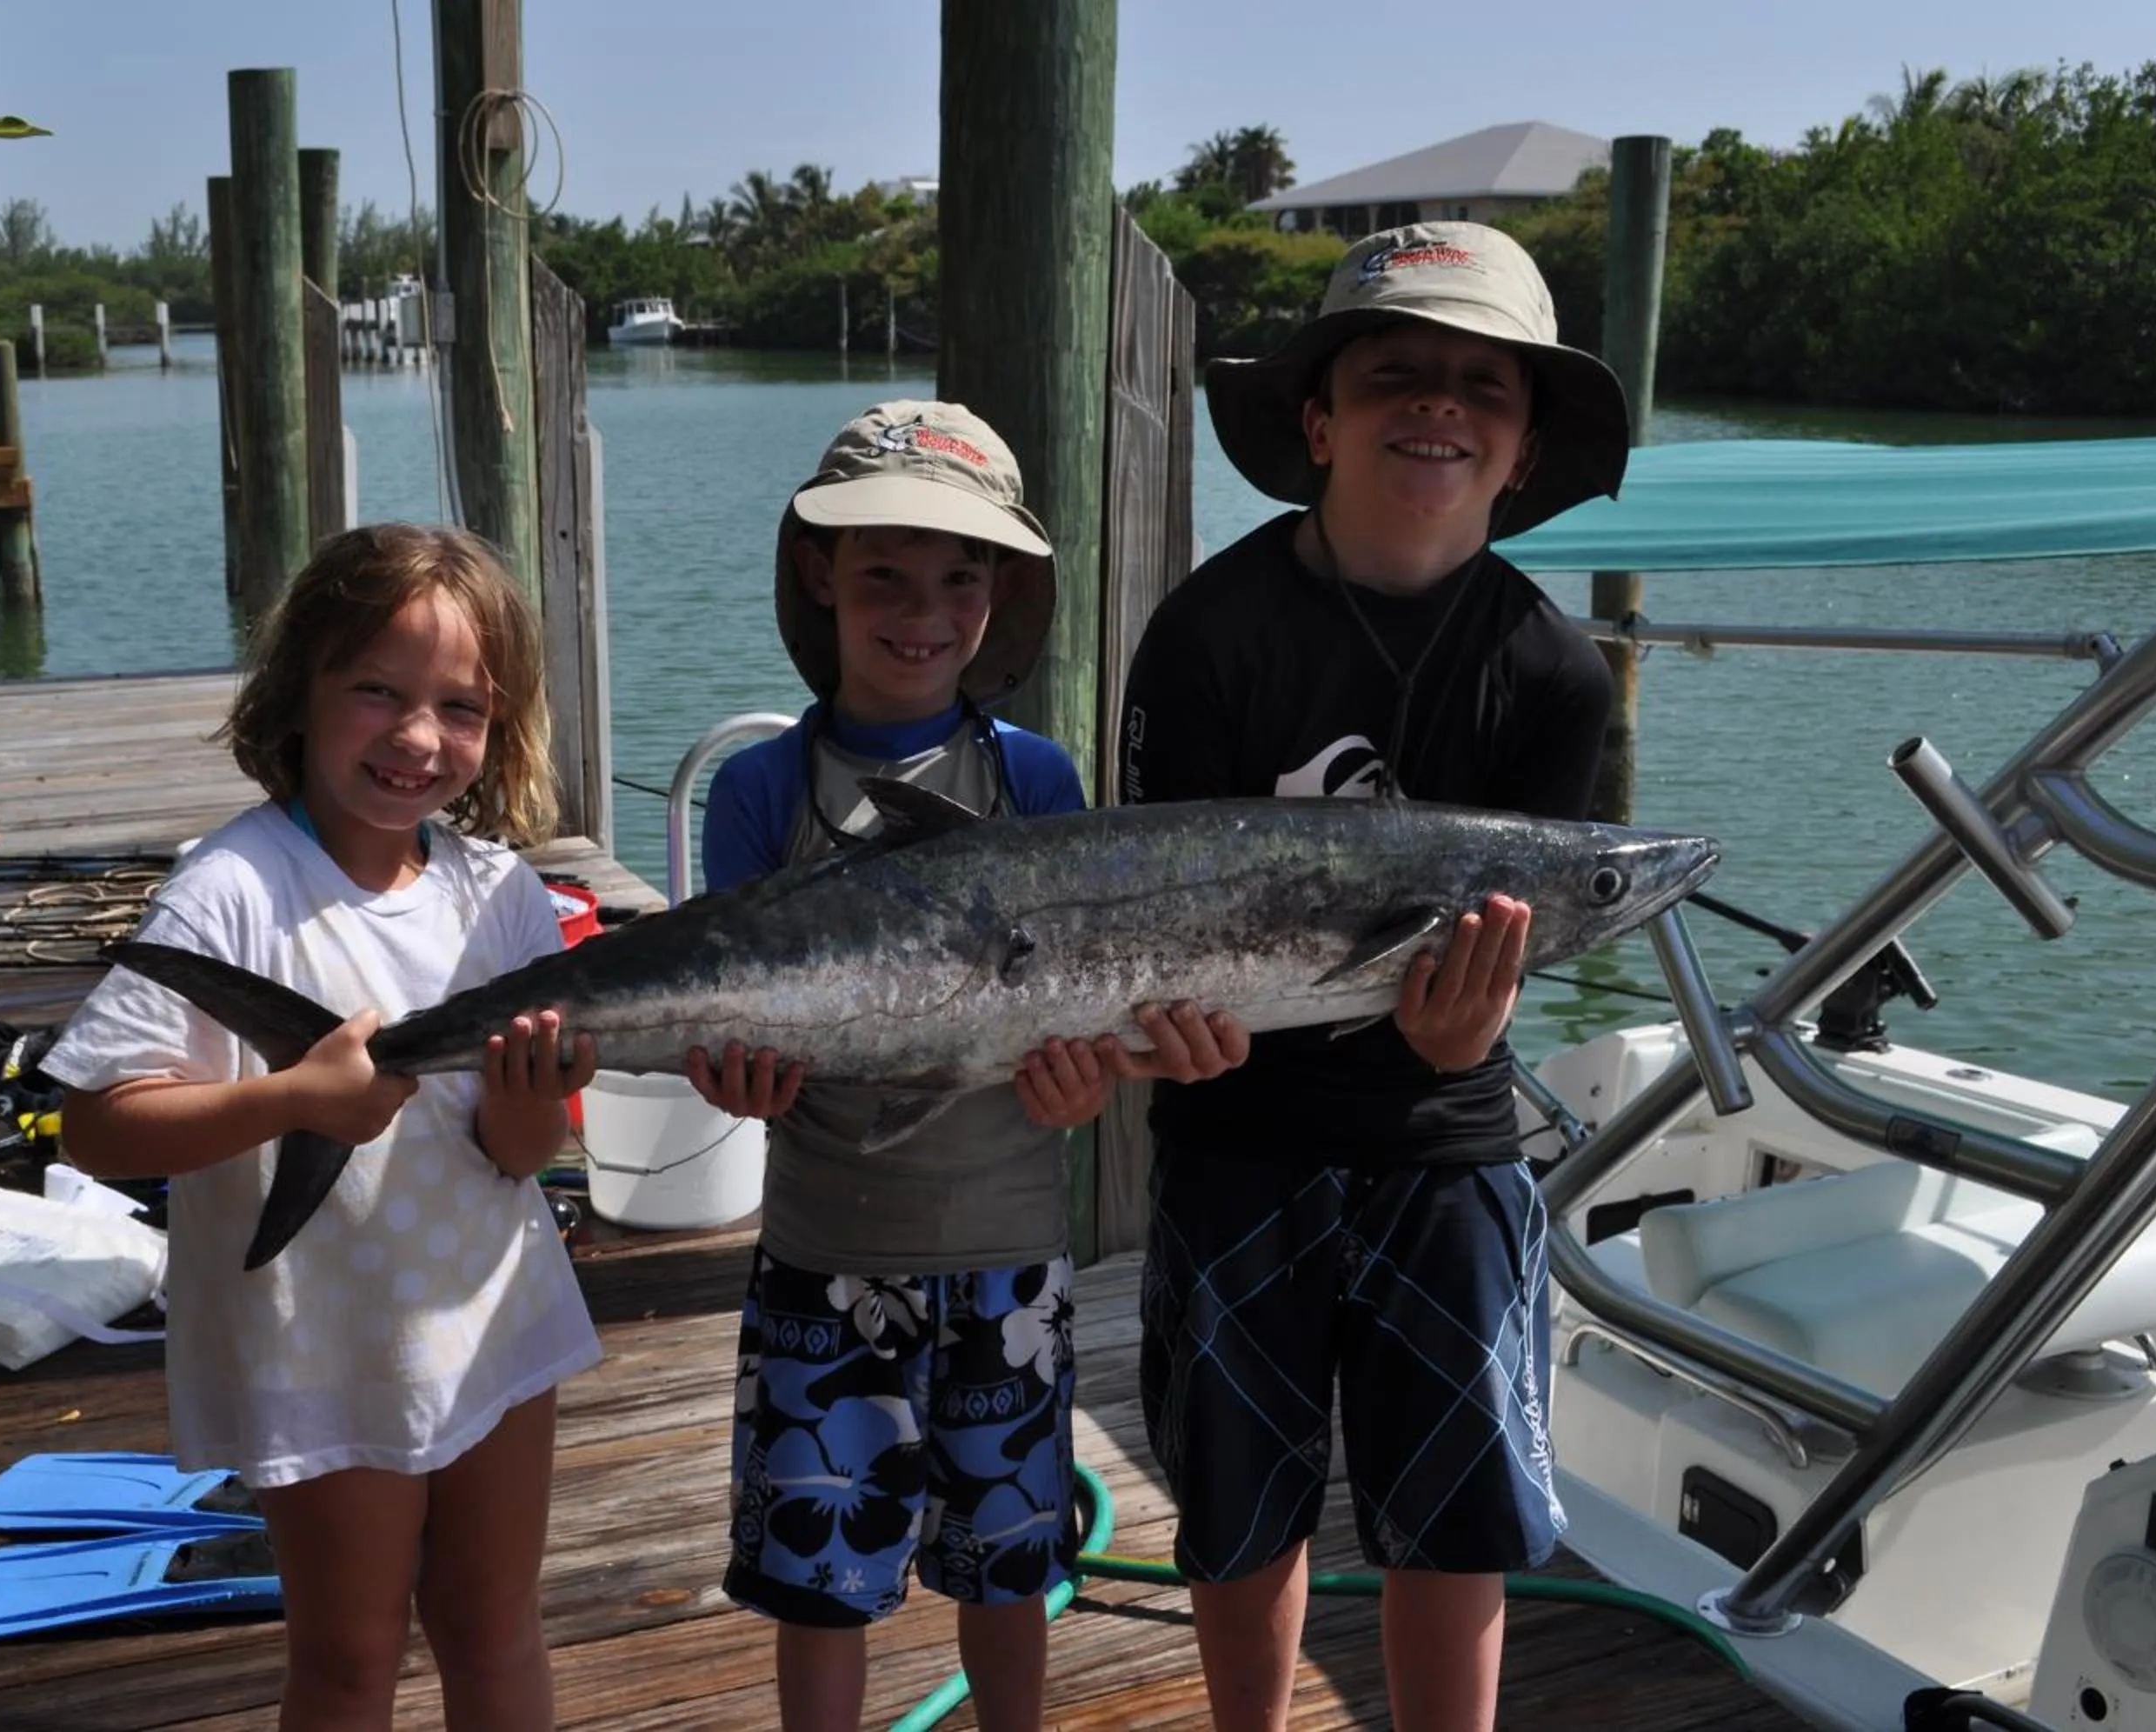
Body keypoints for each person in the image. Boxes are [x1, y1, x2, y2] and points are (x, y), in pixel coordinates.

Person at [1119, 222, 1632, 1732]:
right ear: (1317, 418)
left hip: (1444, 1135)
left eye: (1486, 385)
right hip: (1237, 1131)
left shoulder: (1553, 671)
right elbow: (1138, 906)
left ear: (1528, 447)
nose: (1440, 405)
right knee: (1237, 1499)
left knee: (1453, 1517)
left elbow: (1540, 923)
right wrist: (1158, 1037)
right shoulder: (1207, 634)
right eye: (1397, 370)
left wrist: (1475, 1027)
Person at [49, 523, 602, 1732]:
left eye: (460, 708)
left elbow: (524, 1154)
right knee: (350, 1659)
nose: (417, 738)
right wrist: (295, 1099)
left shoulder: (501, 895)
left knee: (496, 1627)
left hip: (497, 1319)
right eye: (378, 693)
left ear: (496, 732)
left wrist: (527, 1108)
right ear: (300, 687)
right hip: (325, 1345)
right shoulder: (230, 892)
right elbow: (94, 1126)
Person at [684, 400, 1128, 1732]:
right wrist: (728, 1077)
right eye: (885, 573)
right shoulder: (763, 788)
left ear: (1003, 590)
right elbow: (733, 1016)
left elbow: (1079, 1009)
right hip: (824, 1248)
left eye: (960, 576)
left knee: (1011, 1570)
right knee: (817, 1582)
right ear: (822, 574)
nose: (922, 610)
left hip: (1009, 1249)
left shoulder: (1039, 783)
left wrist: (1088, 1088)